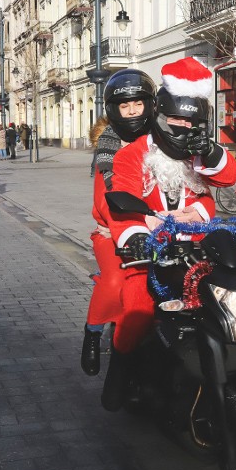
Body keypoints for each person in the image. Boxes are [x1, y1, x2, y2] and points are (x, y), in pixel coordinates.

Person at [102, 57, 236, 410]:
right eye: (176, 119)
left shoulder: (199, 152)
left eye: (193, 122)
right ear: (159, 116)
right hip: (150, 254)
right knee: (138, 309)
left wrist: (211, 152)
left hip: (198, 250)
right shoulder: (132, 155)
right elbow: (123, 203)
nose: (183, 127)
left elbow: (226, 178)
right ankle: (119, 371)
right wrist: (134, 236)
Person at [81, 68, 156, 377]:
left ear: (149, 104)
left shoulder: (161, 141)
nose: (132, 111)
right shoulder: (109, 149)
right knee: (114, 283)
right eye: (125, 106)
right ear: (114, 110)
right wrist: (130, 226)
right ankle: (92, 333)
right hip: (113, 233)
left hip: (161, 231)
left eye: (137, 104)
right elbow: (104, 201)